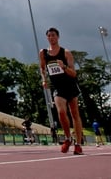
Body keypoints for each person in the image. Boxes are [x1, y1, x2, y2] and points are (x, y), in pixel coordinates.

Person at [39, 27, 84, 155]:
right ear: (47, 38)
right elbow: (42, 68)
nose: (51, 37)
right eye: (49, 36)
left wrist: (63, 66)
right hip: (57, 87)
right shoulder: (43, 53)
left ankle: (78, 144)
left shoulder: (66, 53)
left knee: (75, 114)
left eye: (53, 35)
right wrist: (44, 79)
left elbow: (73, 73)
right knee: (62, 112)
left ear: (58, 37)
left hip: (70, 85)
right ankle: (68, 138)